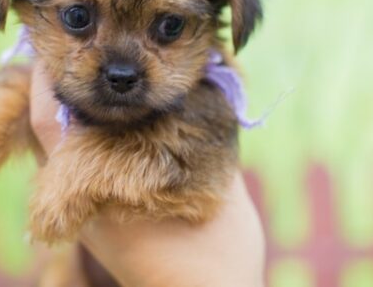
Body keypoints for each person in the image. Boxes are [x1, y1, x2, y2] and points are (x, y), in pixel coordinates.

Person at [30, 60, 266, 287]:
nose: (121, 71)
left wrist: (84, 174)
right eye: (79, 18)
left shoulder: (203, 99)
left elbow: (191, 172)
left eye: (169, 27)